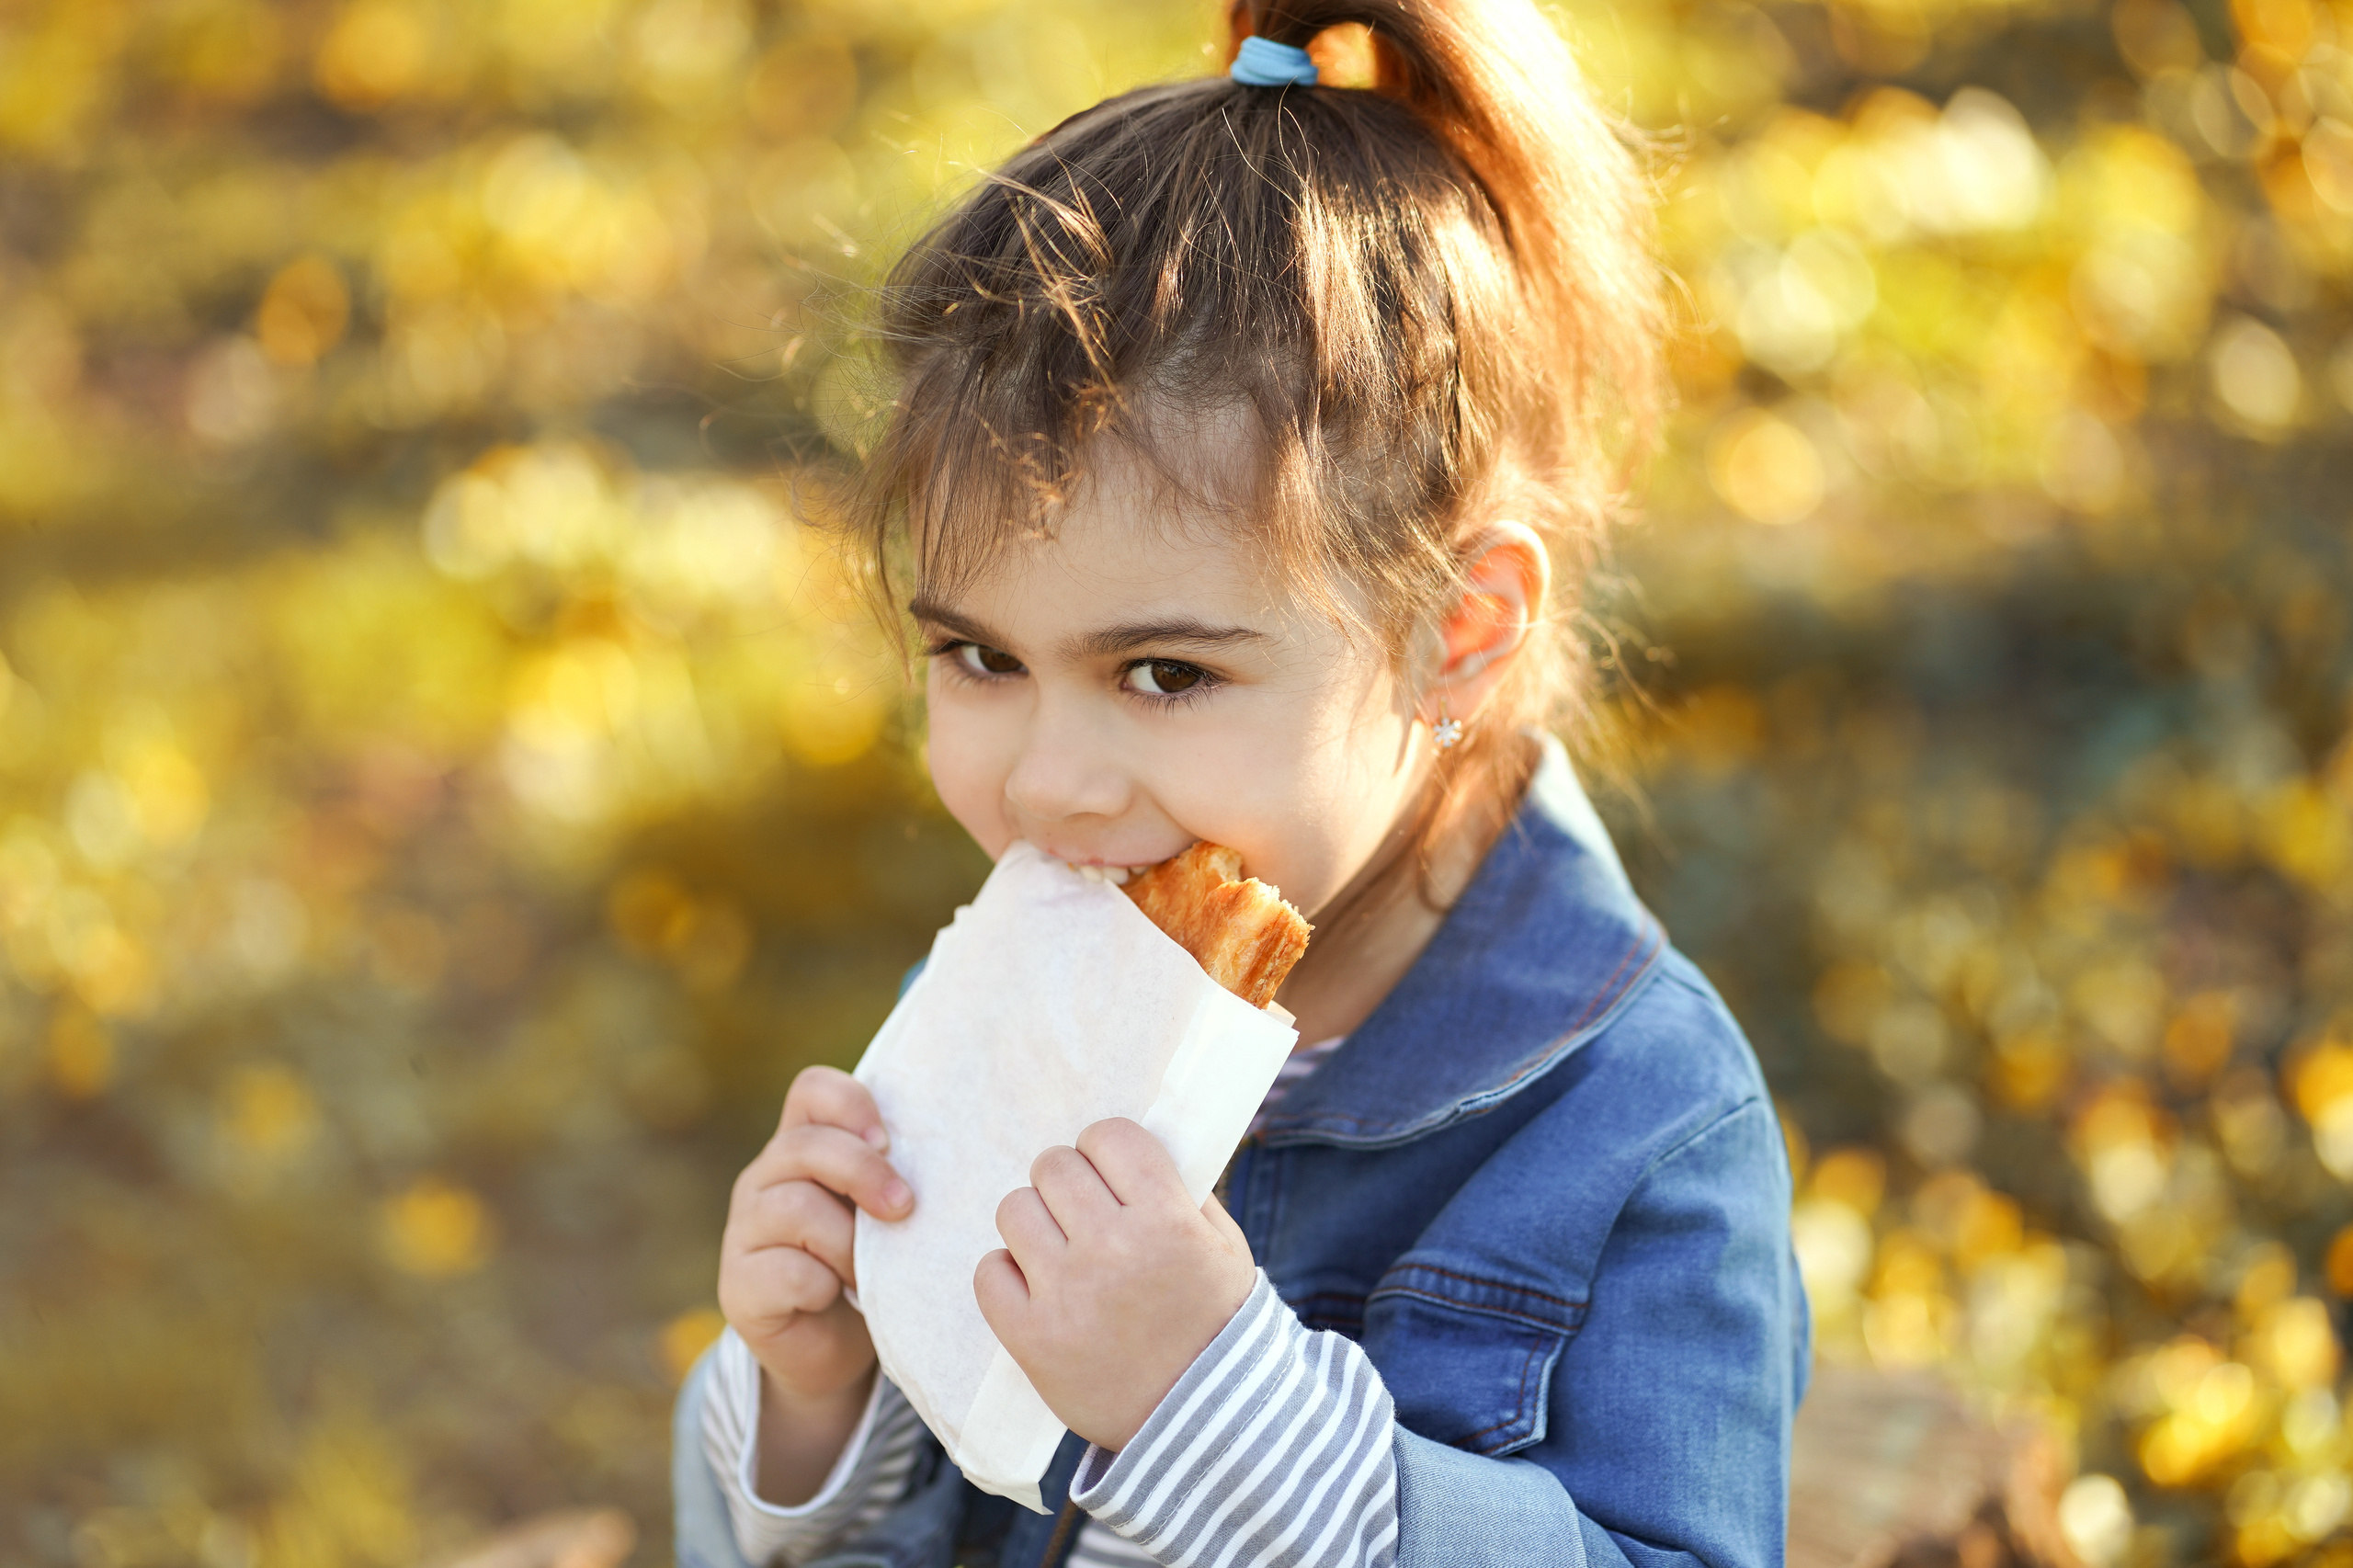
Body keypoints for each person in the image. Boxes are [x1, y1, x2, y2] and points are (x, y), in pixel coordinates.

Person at [675, 0, 1809, 1563]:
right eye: (981, 657)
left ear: (1456, 636)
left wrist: (1220, 1411)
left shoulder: (1633, 1126)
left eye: (1165, 674)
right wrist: (821, 1404)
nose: (1049, 788)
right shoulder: (1043, 993)